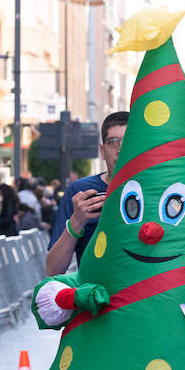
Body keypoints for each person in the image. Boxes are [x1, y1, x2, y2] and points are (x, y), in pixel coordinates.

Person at [46, 111, 131, 275]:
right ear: (102, 151)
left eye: (128, 142)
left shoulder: (157, 191)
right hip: (96, 296)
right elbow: (53, 270)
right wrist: (76, 222)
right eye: (113, 142)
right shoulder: (80, 192)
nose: (120, 149)